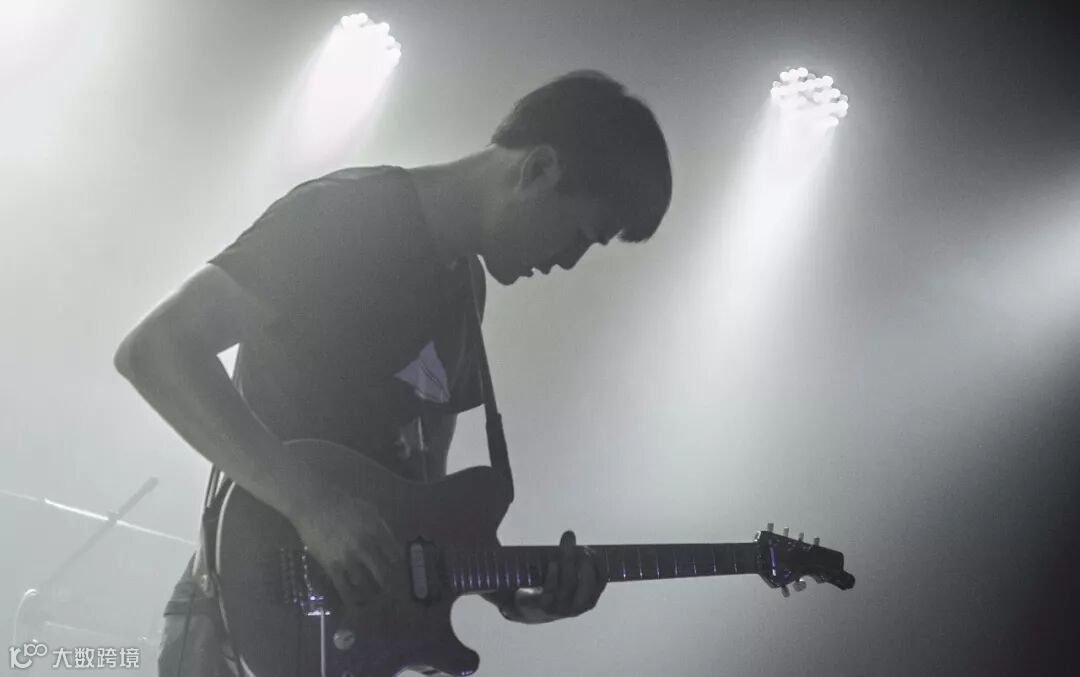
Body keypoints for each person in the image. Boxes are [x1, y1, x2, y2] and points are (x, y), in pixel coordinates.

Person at [114, 69, 672, 675]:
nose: (570, 261)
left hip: (350, 640)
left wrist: (521, 598)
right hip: (244, 622)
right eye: (582, 234)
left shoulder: (466, 288)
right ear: (537, 169)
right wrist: (312, 505)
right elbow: (157, 349)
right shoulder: (347, 215)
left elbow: (425, 510)